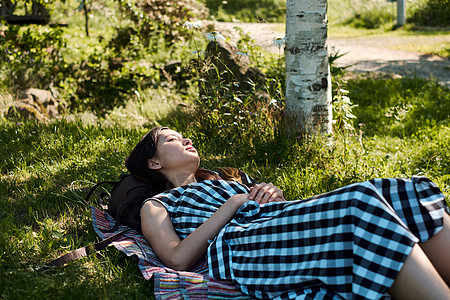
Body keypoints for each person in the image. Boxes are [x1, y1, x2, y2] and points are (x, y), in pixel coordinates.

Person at [123, 126, 450, 299]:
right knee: (361, 203)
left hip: (274, 224)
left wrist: (274, 195)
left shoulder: (226, 179)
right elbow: (177, 259)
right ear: (154, 163)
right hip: (242, 246)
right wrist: (233, 205)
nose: (187, 139)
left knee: (404, 191)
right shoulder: (159, 204)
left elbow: (280, 210)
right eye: (172, 139)